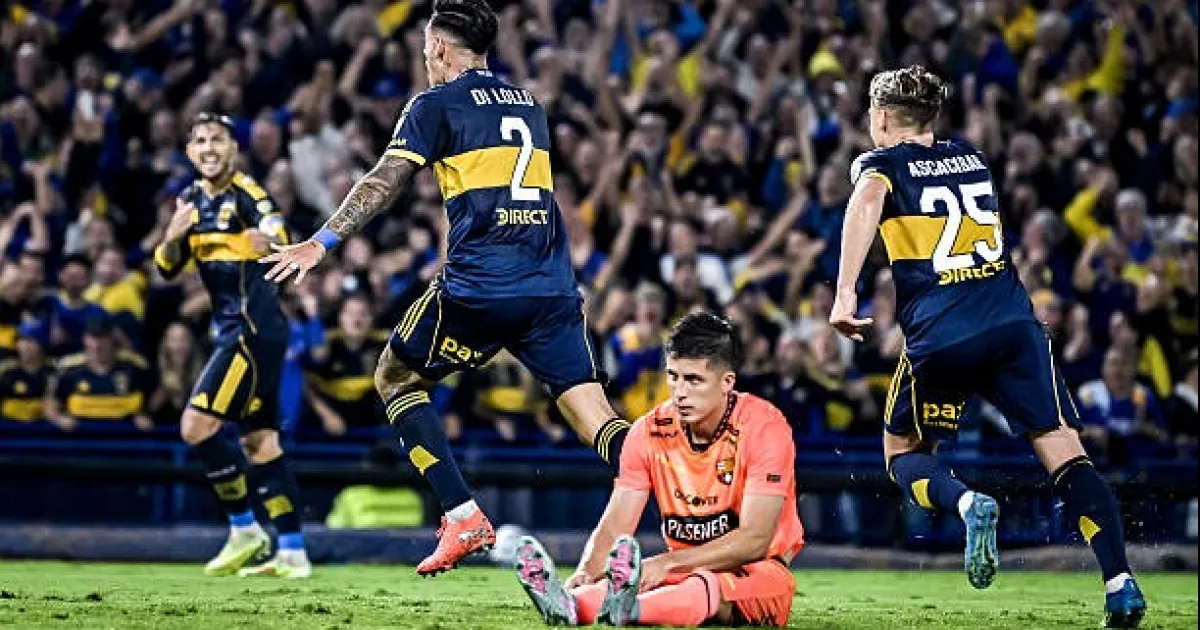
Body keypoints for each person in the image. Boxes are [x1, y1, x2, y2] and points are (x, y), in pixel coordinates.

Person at [260, 0, 630, 576]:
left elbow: (385, 181)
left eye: (424, 48)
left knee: (395, 377)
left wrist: (322, 241)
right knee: (597, 420)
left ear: (437, 48)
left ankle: (463, 515)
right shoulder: (528, 104)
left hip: (480, 289)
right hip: (551, 291)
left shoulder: (433, 104)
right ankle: (691, 493)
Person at [828, 66, 1145, 627]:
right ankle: (1120, 584)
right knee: (1065, 451)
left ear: (882, 117)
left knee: (901, 453)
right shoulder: (972, 158)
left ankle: (965, 502)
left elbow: (867, 200)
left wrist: (846, 291)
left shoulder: (879, 164)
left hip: (942, 333)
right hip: (1012, 326)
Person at [514, 313, 803, 627]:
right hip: (684, 567)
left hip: (759, 570)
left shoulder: (765, 427)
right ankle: (570, 604)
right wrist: (586, 572)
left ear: (727, 383)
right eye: (673, 376)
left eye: (693, 380)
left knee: (701, 584)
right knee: (631, 581)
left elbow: (755, 540)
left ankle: (627, 611)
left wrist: (666, 563)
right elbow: (616, 523)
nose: (679, 392)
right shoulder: (647, 431)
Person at [153, 112, 310, 578]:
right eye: (200, 140)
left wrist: (268, 244)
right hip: (242, 330)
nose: (208, 148)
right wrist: (171, 236)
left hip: (250, 330)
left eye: (217, 139)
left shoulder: (248, 193)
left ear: (233, 149)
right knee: (260, 442)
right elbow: (166, 269)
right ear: (189, 152)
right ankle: (293, 552)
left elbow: (279, 237)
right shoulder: (189, 201)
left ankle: (245, 528)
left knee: (195, 427)